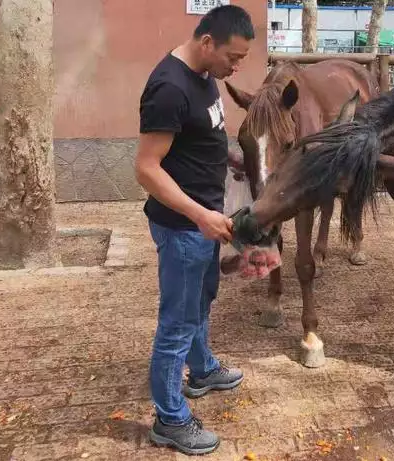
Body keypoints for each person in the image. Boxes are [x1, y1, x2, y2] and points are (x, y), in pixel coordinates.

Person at [134, 5, 255, 456]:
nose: (237, 66)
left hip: (206, 220)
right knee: (177, 322)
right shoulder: (169, 87)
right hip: (184, 226)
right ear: (208, 43)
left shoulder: (205, 76)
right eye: (233, 57)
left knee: (203, 299)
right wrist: (199, 215)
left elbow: (204, 138)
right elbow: (146, 169)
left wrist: (236, 164)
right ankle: (169, 418)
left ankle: (201, 369)